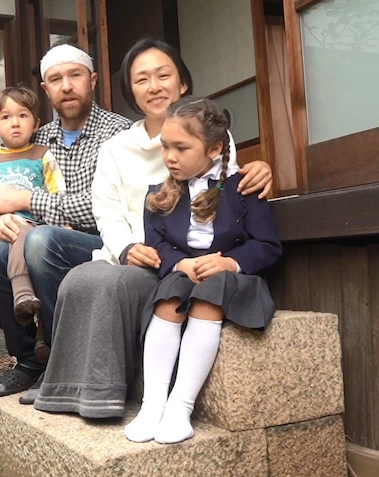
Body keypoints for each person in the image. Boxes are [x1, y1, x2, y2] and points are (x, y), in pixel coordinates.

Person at [32, 38, 274, 416]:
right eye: (142, 79)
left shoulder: (210, 136)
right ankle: (62, 387)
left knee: (112, 284)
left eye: (164, 75)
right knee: (81, 279)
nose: (154, 86)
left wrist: (258, 167)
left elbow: (225, 189)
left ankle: (102, 393)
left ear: (183, 83)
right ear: (131, 90)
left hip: (177, 260)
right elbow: (106, 210)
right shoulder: (116, 147)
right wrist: (127, 248)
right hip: (129, 249)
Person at [0, 44, 132, 398]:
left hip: (103, 241)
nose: (67, 86)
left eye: (75, 76)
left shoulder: (120, 133)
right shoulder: (35, 138)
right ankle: (28, 361)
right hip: (35, 239)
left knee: (41, 240)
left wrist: (29, 200)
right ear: (46, 89)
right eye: (56, 79)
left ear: (91, 80)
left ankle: (63, 364)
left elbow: (109, 207)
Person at [123, 96, 282, 445]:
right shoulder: (158, 196)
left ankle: (180, 407)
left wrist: (229, 262)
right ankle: (153, 406)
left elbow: (267, 244)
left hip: (235, 280)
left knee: (208, 297)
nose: (170, 157)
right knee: (169, 297)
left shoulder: (243, 189)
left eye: (181, 147)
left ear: (213, 149)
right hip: (185, 276)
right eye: (165, 147)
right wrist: (180, 263)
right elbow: (158, 245)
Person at [0, 85, 67, 333]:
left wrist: (62, 225)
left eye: (23, 116)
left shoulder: (42, 154)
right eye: (6, 117)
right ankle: (27, 342)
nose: (15, 123)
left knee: (24, 233)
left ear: (36, 124)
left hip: (37, 225)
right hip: (5, 227)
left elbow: (57, 191)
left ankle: (22, 292)